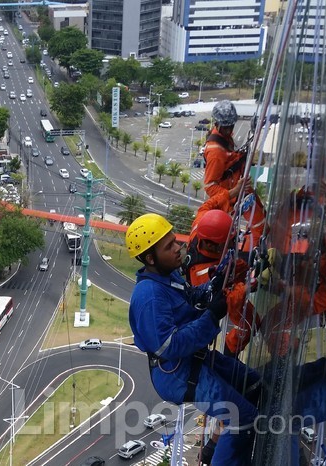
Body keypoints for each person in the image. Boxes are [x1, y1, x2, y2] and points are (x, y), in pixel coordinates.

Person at [126, 213, 261, 466]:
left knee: (252, 383)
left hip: (191, 361)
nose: (179, 248)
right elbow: (169, 346)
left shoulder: (168, 276)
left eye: (175, 241)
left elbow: (190, 296)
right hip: (175, 373)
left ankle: (233, 452)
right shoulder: (149, 296)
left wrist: (215, 285)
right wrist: (212, 316)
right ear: (150, 258)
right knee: (241, 417)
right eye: (169, 246)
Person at [185, 187, 261, 357]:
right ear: (212, 245)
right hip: (214, 298)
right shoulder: (203, 273)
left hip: (225, 272)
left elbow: (209, 204)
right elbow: (229, 296)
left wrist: (234, 191)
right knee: (250, 323)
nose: (233, 242)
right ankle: (229, 354)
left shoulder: (201, 223)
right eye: (229, 240)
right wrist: (249, 284)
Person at [203, 100, 266, 248]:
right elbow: (210, 187)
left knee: (262, 222)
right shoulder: (216, 152)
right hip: (235, 195)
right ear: (218, 124)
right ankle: (251, 257)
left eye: (231, 125)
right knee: (261, 229)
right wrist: (233, 192)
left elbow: (229, 160)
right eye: (225, 127)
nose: (229, 129)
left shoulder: (223, 137)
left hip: (240, 189)